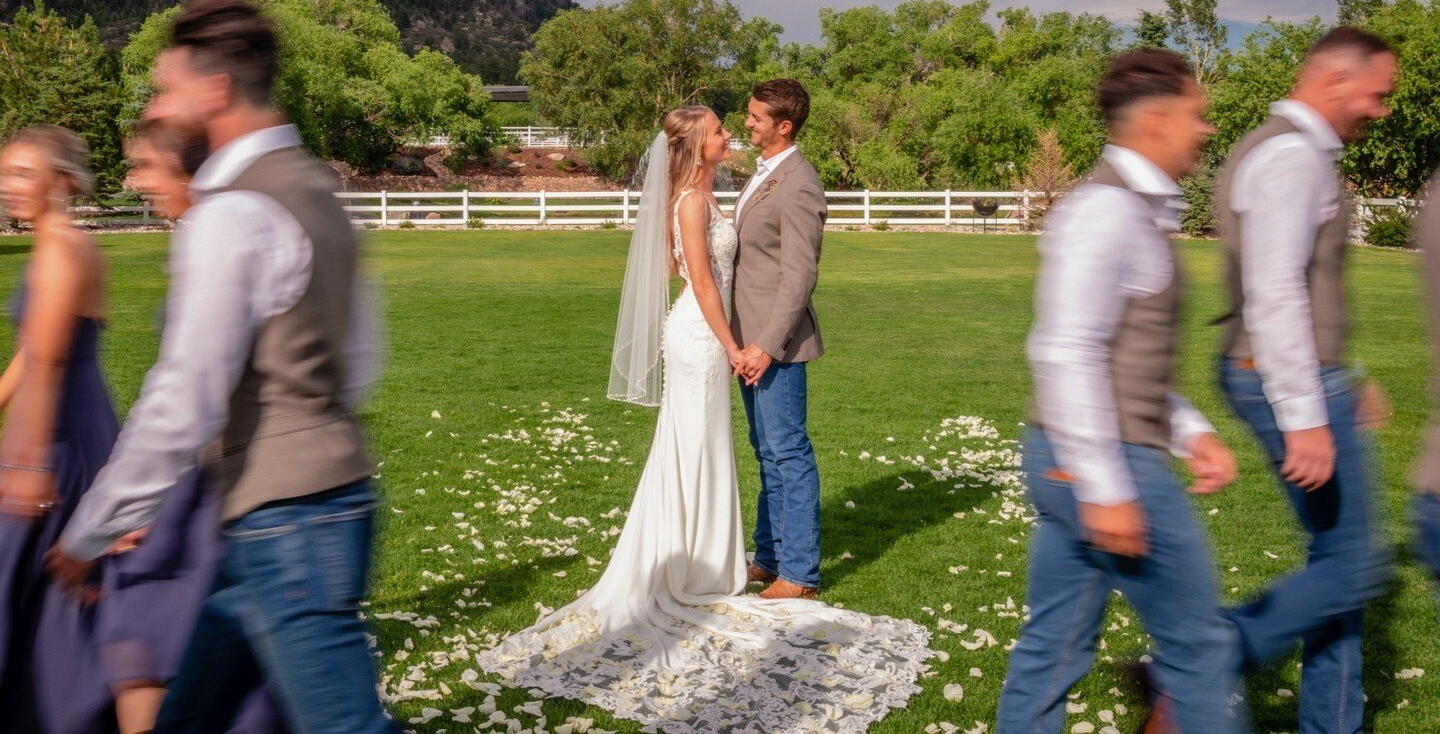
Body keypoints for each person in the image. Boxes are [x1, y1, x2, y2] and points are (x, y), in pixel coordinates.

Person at [477, 104, 931, 734]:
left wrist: (744, 340)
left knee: (725, 447)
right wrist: (730, 342)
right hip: (705, 335)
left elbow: (764, 266)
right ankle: (700, 562)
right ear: (696, 144)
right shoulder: (693, 202)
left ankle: (729, 559)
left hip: (729, 339)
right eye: (721, 128)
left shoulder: (718, 190)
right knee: (700, 446)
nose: (732, 133)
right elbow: (704, 283)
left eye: (739, 122)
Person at [46, 0, 393, 734]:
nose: (162, 106)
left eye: (167, 88)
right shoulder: (315, 190)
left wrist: (91, 532)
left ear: (214, 90)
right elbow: (360, 355)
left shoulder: (229, 213)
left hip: (285, 524)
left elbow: (184, 399)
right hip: (328, 501)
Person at [998, 50, 1245, 734]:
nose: (1207, 129)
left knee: (1054, 647)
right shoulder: (1107, 210)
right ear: (1157, 120)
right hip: (1104, 460)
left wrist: (1190, 430)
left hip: (1071, 454)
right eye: (1198, 115)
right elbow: (1066, 348)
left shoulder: (1132, 207)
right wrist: (1105, 487)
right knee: (1200, 648)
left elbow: (1118, 358)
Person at [1215, 26, 1396, 733]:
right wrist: (1307, 414)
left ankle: (1333, 724)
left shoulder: (1283, 148)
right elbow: (1276, 291)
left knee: (1341, 562)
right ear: (1333, 81)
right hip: (1281, 377)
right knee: (1352, 566)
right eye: (1376, 94)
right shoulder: (1293, 157)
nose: (1380, 110)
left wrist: (1347, 373)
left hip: (1301, 373)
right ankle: (1201, 658)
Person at [97, 118, 283, 734]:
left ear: (185, 171)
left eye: (145, 166)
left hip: (206, 481)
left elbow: (194, 393)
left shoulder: (213, 236)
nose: (135, 181)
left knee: (148, 635)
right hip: (205, 475)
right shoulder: (210, 233)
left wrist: (137, 505)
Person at [0, 125, 117, 733]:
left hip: (57, 441)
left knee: (37, 588)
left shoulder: (59, 252)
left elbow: (47, 363)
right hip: (81, 425)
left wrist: (23, 466)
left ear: (63, 181)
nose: (7, 187)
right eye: (4, 174)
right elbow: (31, 351)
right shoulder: (74, 244)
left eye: (23, 174)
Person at [730, 79, 828, 600]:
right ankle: (768, 557)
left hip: (777, 346)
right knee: (765, 450)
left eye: (755, 117)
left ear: (783, 126)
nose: (747, 122)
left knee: (788, 452)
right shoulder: (765, 175)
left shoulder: (799, 183)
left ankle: (800, 573)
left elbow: (797, 276)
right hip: (748, 341)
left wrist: (765, 346)